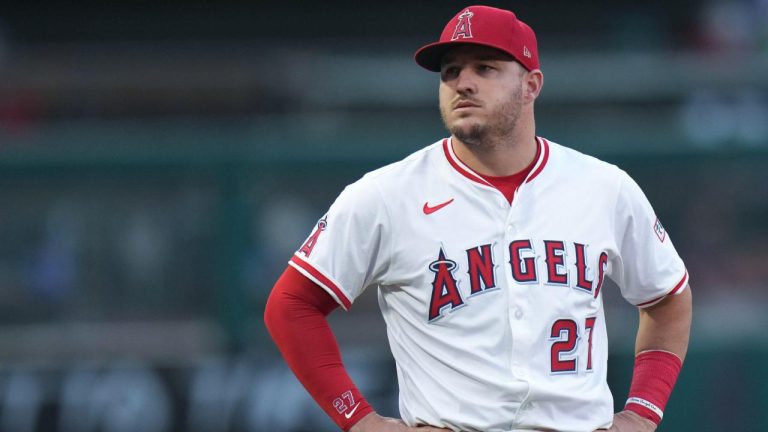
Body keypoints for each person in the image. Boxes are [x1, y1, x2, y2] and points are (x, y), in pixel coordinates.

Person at [264, 5, 692, 432]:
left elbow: (668, 297)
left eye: (484, 68)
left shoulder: (604, 187)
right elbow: (291, 305)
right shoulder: (386, 195)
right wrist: (359, 420)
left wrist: (643, 412)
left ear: (531, 85)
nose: (462, 83)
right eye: (450, 72)